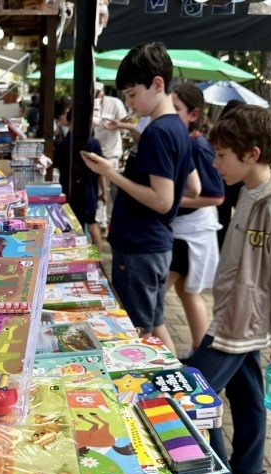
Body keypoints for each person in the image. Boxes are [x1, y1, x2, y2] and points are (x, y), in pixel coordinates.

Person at [188, 105, 271, 474]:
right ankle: (249, 469)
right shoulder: (246, 192)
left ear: (252, 154)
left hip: (240, 322)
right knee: (246, 393)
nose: (215, 162)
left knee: (194, 395)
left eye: (222, 155)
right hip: (234, 314)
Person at [81, 41, 201, 356]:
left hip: (140, 247)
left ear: (157, 84)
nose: (130, 102)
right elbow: (193, 188)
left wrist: (111, 173)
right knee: (152, 323)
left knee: (136, 333)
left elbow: (162, 200)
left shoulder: (160, 133)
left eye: (133, 94)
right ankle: (178, 383)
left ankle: (160, 392)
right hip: (153, 245)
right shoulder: (173, 127)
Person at [167, 83, 225, 357]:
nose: (168, 113)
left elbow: (216, 196)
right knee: (186, 292)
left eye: (174, 109)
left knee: (153, 299)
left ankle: (194, 354)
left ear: (193, 114)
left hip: (188, 235)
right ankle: (200, 351)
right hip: (183, 231)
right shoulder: (186, 141)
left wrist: (170, 200)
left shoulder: (199, 146)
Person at [54, 110, 104, 246]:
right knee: (93, 226)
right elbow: (101, 171)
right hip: (90, 193)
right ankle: (98, 264)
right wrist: (103, 192)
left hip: (69, 192)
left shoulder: (62, 144)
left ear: (69, 123)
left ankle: (82, 260)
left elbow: (57, 166)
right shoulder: (94, 143)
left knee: (75, 228)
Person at [93, 81, 129, 234]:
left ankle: (105, 222)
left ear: (102, 92)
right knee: (99, 189)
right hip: (96, 152)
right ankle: (101, 221)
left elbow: (128, 121)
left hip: (111, 154)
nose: (96, 97)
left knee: (106, 189)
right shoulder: (91, 104)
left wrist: (117, 125)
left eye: (97, 93)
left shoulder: (115, 103)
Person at [216, 99, 246, 248]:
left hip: (221, 180)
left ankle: (222, 247)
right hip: (235, 181)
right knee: (239, 215)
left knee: (223, 217)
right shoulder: (242, 135)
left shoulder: (218, 132)